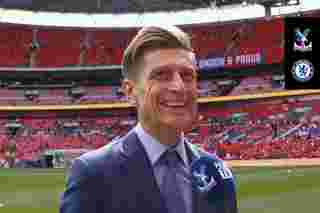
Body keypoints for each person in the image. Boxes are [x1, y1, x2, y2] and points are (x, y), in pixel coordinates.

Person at [60, 25, 238, 213]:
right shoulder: (92, 173)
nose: (179, 87)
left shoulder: (216, 171)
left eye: (187, 75)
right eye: (161, 75)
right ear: (130, 91)